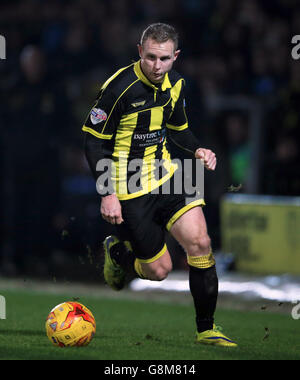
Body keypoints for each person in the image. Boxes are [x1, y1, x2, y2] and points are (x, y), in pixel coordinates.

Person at [83, 23, 237, 347]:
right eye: (151, 57)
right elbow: (93, 143)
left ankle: (206, 329)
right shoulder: (118, 88)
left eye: (164, 59)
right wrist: (108, 192)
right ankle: (119, 255)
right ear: (140, 51)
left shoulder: (177, 83)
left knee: (201, 242)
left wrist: (197, 148)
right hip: (130, 184)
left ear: (175, 56)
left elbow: (178, 128)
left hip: (170, 173)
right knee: (160, 271)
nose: (157, 66)